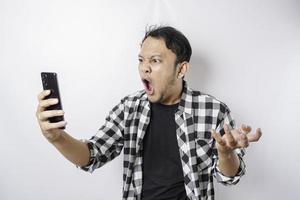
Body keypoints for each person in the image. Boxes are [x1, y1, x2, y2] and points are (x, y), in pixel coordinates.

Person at [36, 26, 262, 200]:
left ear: (181, 69)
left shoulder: (213, 110)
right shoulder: (129, 107)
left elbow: (229, 177)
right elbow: (92, 155)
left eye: (155, 61)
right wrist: (57, 138)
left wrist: (225, 153)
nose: (144, 67)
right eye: (141, 60)